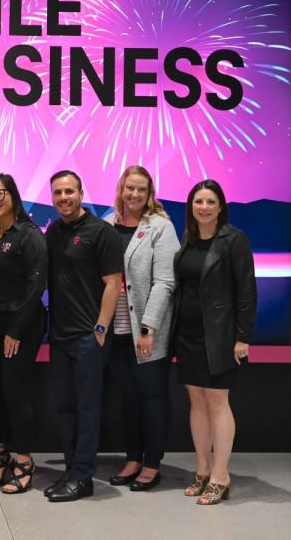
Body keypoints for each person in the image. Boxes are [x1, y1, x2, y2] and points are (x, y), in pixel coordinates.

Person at [171, 179, 256, 505]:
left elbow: (247, 291)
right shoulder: (188, 240)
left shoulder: (234, 240)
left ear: (221, 206)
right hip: (188, 336)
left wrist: (242, 338)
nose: (203, 207)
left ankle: (221, 475)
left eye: (209, 201)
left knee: (218, 402)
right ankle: (202, 470)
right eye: (198, 201)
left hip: (220, 337)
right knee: (197, 402)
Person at [44, 170, 123, 502]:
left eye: (69, 191)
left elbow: (113, 283)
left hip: (88, 338)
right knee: (66, 408)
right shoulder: (53, 232)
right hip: (59, 337)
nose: (64, 197)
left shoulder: (101, 232)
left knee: (88, 408)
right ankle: (71, 471)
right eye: (58, 192)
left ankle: (83, 477)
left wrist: (101, 330)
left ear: (80, 193)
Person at [103, 166, 180, 492]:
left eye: (141, 190)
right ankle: (132, 458)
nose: (134, 195)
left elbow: (165, 282)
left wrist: (148, 328)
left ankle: (151, 464)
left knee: (152, 397)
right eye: (129, 188)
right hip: (115, 329)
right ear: (121, 189)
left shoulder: (160, 227)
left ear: (150, 194)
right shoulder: (106, 225)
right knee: (129, 398)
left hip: (146, 331)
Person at [0, 173, 47, 494]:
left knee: (16, 391)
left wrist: (16, 330)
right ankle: (1, 453)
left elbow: (36, 286)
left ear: (13, 195)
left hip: (22, 324)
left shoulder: (29, 235)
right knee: (1, 392)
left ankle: (24, 459)